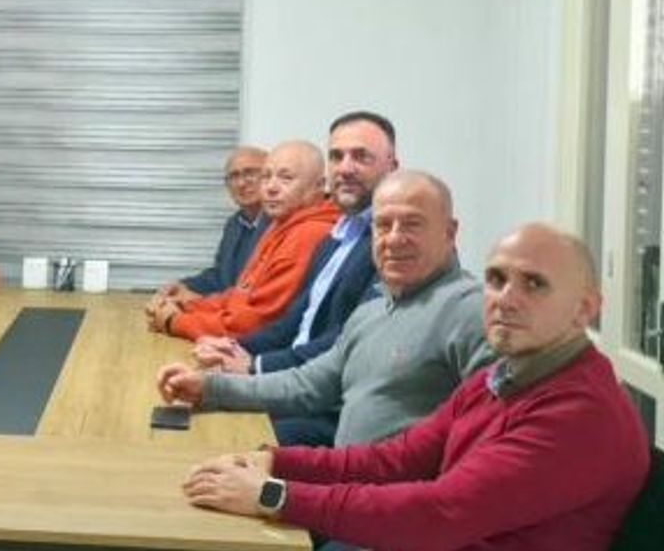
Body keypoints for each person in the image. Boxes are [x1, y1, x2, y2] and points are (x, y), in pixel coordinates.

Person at [180, 224, 651, 551]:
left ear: (585, 309)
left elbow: (441, 513)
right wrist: (275, 461)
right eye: (496, 279)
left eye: (534, 284)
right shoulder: (503, 377)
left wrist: (273, 494)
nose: (506, 299)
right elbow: (398, 459)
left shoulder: (581, 413)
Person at [158, 170, 494, 448]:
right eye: (383, 225)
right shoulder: (374, 310)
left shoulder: (471, 311)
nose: (393, 239)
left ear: (450, 233)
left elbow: (484, 452)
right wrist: (210, 387)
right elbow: (308, 385)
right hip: (344, 484)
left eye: (412, 224)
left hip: (383, 501)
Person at [191, 112, 398, 445]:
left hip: (329, 408)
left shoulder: (391, 245)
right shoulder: (337, 236)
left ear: (392, 167)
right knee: (191, 416)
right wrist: (236, 348)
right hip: (295, 383)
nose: (345, 168)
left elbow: (345, 344)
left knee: (219, 440)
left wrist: (256, 365)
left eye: (361, 156)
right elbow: (295, 321)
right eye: (337, 156)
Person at [148, 140, 339, 340]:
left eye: (286, 178)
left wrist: (175, 321)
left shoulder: (308, 234)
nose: (271, 187)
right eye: (266, 176)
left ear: (319, 186)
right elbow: (242, 295)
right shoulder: (281, 223)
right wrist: (188, 305)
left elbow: (252, 324)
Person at [153, 146, 269, 307]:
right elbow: (219, 277)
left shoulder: (280, 227)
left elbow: (259, 292)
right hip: (226, 313)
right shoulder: (234, 224)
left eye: (250, 173)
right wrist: (183, 286)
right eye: (234, 176)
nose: (241, 183)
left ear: (270, 177)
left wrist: (200, 300)